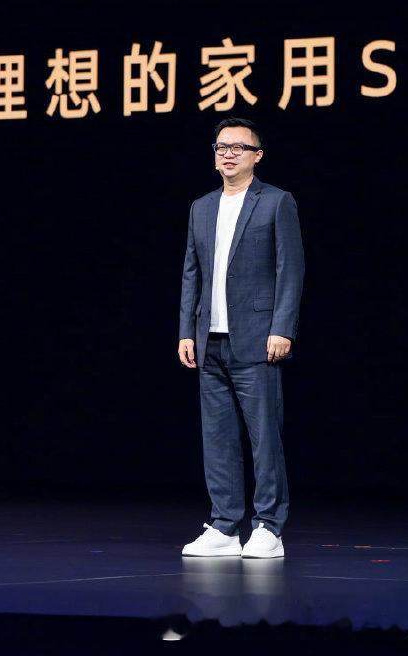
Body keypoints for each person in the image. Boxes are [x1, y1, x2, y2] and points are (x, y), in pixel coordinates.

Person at [177, 118, 304, 559]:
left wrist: (282, 326)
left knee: (264, 436)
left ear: (257, 156)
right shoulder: (201, 207)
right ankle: (225, 526)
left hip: (256, 336)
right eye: (222, 147)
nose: (229, 154)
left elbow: (291, 268)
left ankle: (269, 526)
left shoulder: (276, 202)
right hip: (208, 338)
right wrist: (186, 330)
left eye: (239, 147)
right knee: (217, 438)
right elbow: (192, 272)